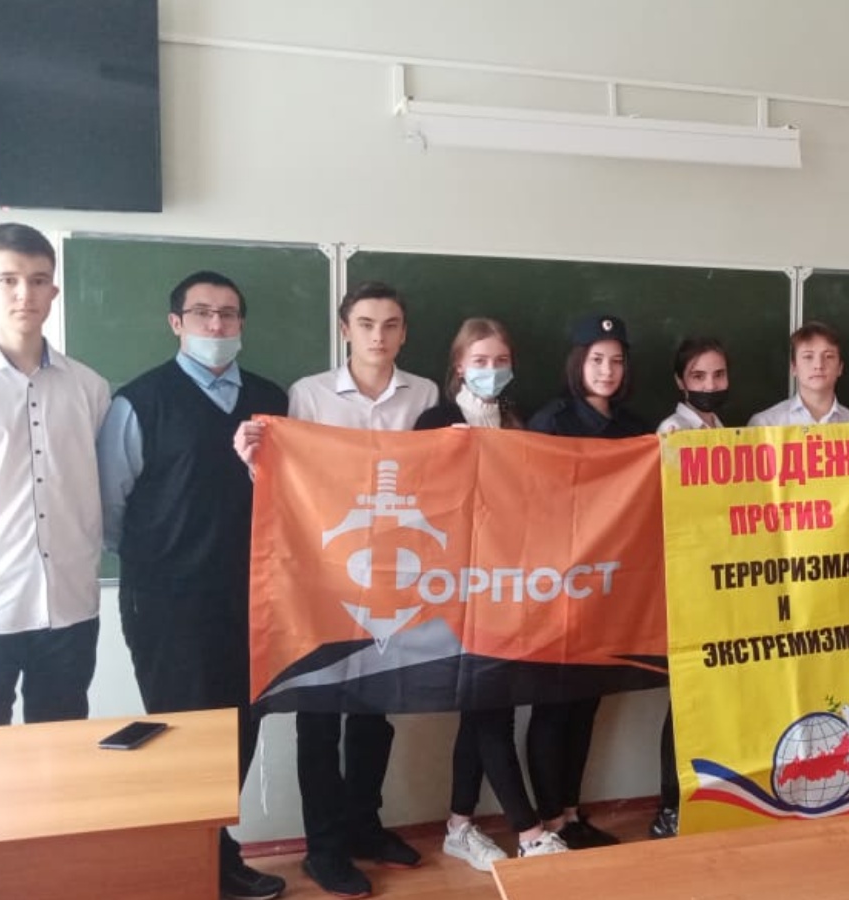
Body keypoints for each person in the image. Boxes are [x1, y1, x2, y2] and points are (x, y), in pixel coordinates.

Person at [235, 281, 438, 899]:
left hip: (396, 575)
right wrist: (255, 461)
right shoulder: (310, 394)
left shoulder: (425, 394)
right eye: (367, 323)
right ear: (346, 329)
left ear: (404, 332)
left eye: (392, 324)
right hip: (322, 578)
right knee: (320, 715)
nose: (380, 335)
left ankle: (363, 827)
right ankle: (323, 848)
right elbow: (289, 477)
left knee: (377, 709)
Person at [96, 271, 289, 900]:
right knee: (181, 735)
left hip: (252, 598)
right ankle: (189, 864)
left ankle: (214, 853)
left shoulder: (270, 400)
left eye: (228, 314)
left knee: (242, 727)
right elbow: (112, 510)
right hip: (167, 603)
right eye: (202, 313)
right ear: (176, 322)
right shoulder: (139, 401)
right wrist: (165, 560)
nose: (216, 325)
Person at [414, 318, 569, 870]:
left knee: (485, 707)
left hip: (509, 586)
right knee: (489, 708)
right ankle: (529, 832)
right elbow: (418, 497)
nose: (491, 370)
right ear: (459, 365)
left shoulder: (519, 422)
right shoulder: (435, 421)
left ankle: (459, 825)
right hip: (456, 588)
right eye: (479, 361)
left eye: (500, 360)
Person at [0, 223, 110, 729]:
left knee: (62, 746)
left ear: (54, 291)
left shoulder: (89, 387)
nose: (26, 294)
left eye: (39, 280)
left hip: (68, 603)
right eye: (9, 280)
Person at [524, 313, 651, 848]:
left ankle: (572, 813)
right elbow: (529, 503)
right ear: (579, 362)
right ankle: (550, 818)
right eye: (597, 359)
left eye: (616, 361)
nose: (607, 370)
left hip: (611, 590)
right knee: (553, 705)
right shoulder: (551, 422)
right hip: (558, 587)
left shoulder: (635, 429)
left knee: (586, 704)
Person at [651, 336, 731, 838]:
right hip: (687, 583)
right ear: (681, 381)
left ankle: (710, 797)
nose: (710, 384)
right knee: (684, 701)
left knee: (714, 697)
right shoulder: (672, 432)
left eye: (718, 375)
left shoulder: (725, 430)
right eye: (699, 376)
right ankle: (670, 804)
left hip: (723, 583)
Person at [748, 321, 849, 427]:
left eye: (828, 356)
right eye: (808, 357)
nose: (818, 365)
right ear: (794, 367)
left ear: (840, 368)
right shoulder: (764, 424)